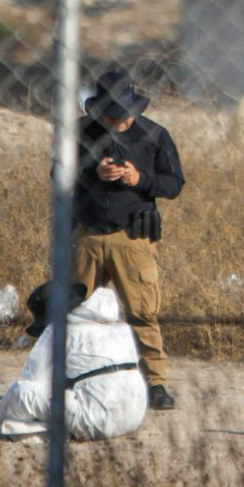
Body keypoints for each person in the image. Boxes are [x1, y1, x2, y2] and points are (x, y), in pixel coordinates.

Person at [70, 70, 185, 411]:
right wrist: (93, 174)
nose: (120, 120)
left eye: (125, 114)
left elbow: (174, 184)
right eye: (112, 115)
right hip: (87, 236)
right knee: (77, 313)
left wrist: (140, 179)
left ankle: (156, 384)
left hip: (132, 239)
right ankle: (75, 378)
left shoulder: (155, 135)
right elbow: (57, 175)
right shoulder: (78, 134)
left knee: (142, 312)